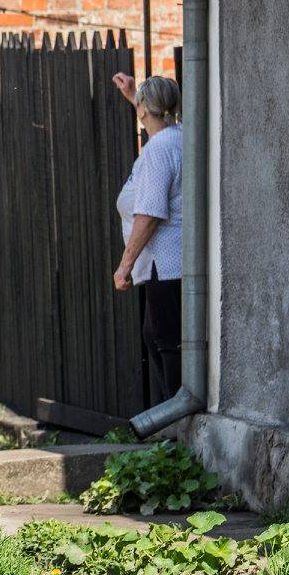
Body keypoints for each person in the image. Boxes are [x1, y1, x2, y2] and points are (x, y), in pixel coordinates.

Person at [111, 73, 184, 407]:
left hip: (163, 264)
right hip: (173, 263)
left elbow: (150, 213)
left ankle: (177, 417)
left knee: (164, 341)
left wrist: (124, 266)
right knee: (157, 336)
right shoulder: (178, 137)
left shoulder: (157, 150)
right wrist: (133, 96)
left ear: (144, 110)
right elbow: (156, 119)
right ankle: (175, 412)